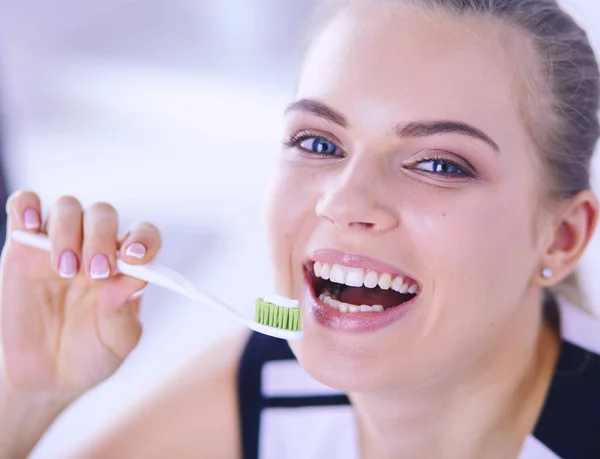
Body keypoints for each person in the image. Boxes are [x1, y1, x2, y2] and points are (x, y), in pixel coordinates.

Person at [1, 0, 600, 457]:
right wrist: (26, 395)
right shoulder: (268, 380)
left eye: (440, 164)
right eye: (318, 142)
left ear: (562, 237)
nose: (343, 200)